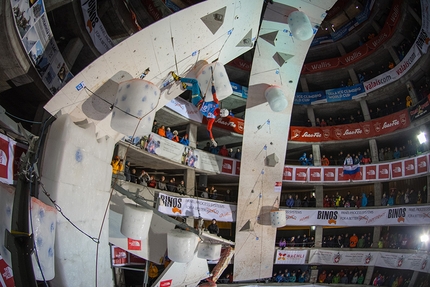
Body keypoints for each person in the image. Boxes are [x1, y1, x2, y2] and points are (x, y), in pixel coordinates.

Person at [175, 72, 228, 147]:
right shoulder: (212, 118)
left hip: (197, 100)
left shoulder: (216, 104)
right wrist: (212, 140)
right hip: (197, 102)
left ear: (222, 109)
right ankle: (186, 87)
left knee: (195, 82)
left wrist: (213, 84)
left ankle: (179, 79)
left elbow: (214, 93)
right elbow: (208, 129)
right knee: (197, 89)